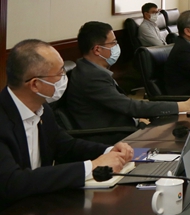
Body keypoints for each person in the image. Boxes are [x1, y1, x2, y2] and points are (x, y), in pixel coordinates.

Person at [0, 39, 133, 203]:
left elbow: (65, 145)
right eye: (60, 73)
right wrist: (91, 167)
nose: (64, 78)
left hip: (38, 203)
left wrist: (109, 151)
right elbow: (12, 182)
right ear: (35, 85)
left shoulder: (42, 109)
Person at [65, 22, 190, 143]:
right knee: (179, 139)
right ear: (97, 50)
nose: (116, 46)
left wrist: (137, 119)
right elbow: (129, 106)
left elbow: (118, 104)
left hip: (122, 127)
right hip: (111, 138)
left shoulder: (90, 69)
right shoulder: (91, 76)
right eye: (113, 43)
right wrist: (183, 105)